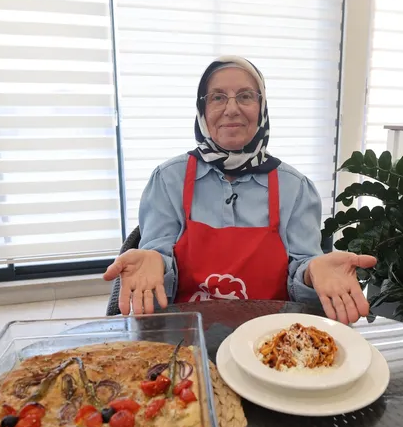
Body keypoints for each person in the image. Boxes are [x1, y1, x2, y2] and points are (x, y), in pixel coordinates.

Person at [104, 56, 376, 323]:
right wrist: (154, 260)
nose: (231, 109)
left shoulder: (295, 187)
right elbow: (157, 265)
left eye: (245, 96)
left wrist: (312, 270)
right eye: (218, 97)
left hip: (271, 340)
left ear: (262, 107)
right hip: (187, 338)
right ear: (202, 109)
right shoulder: (168, 179)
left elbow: (302, 269)